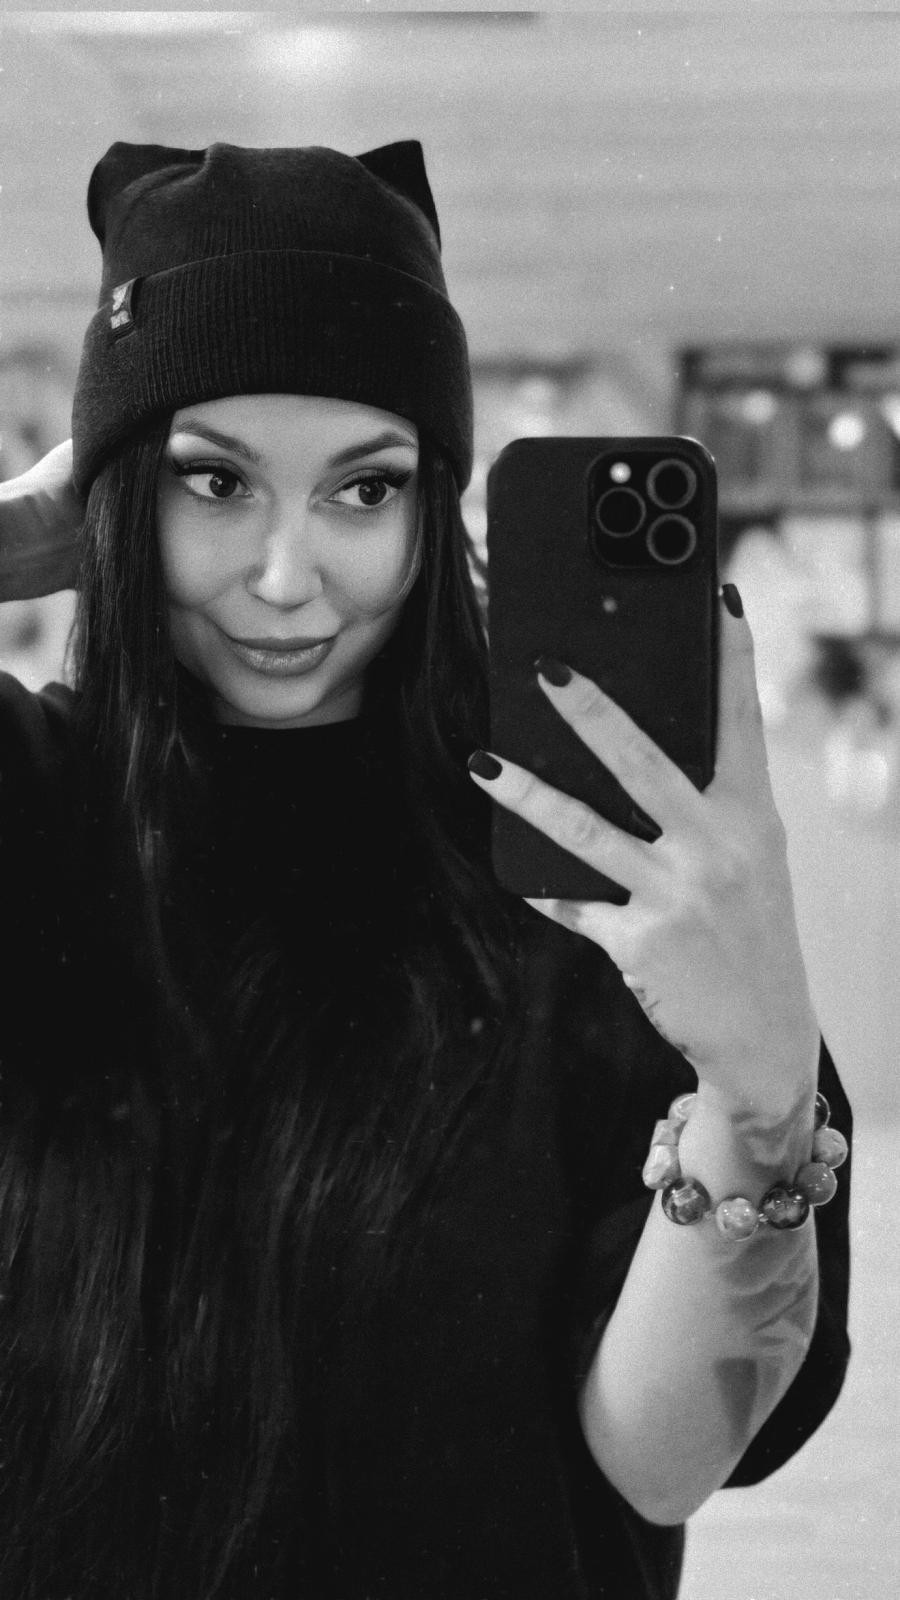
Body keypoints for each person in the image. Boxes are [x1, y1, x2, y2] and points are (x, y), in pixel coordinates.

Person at [0, 139, 850, 1600]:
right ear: (114, 499)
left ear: (431, 505)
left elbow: (663, 1463)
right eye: (213, 482)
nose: (286, 579)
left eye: (363, 490)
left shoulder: (581, 879)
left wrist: (759, 1086)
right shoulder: (32, 804)